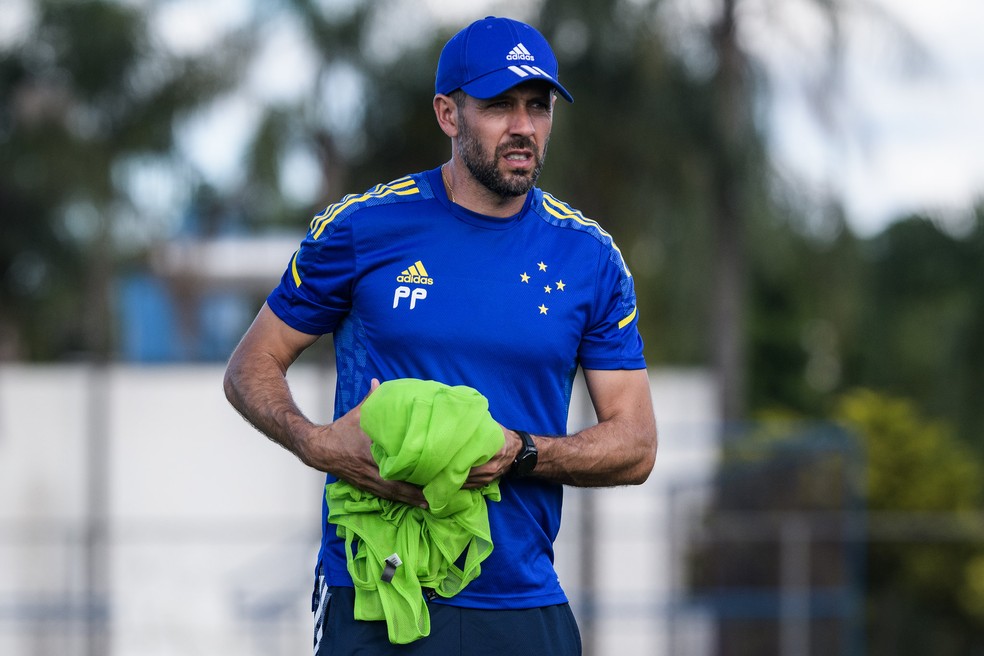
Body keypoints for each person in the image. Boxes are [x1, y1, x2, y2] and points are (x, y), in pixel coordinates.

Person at [223, 15, 657, 656]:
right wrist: (317, 444)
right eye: (498, 106)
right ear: (448, 114)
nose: (523, 127)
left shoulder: (587, 256)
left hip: (519, 604)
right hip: (376, 597)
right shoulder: (361, 228)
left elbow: (636, 444)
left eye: (538, 107)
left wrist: (522, 453)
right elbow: (249, 367)